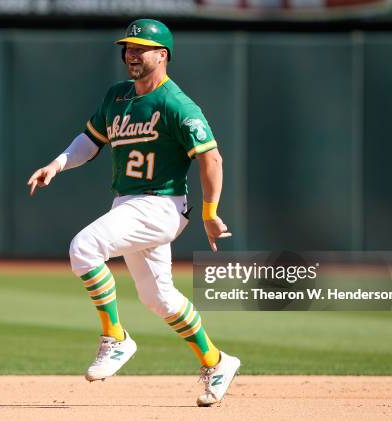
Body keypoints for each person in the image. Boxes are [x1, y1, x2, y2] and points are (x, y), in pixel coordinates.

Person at [27, 18, 240, 407]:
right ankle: (217, 361)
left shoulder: (175, 103)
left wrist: (211, 212)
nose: (132, 54)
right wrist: (58, 163)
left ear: (163, 55)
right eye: (128, 47)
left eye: (141, 48)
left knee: (84, 248)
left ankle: (116, 337)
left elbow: (211, 158)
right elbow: (91, 141)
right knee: (159, 299)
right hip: (128, 203)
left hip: (161, 204)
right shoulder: (117, 96)